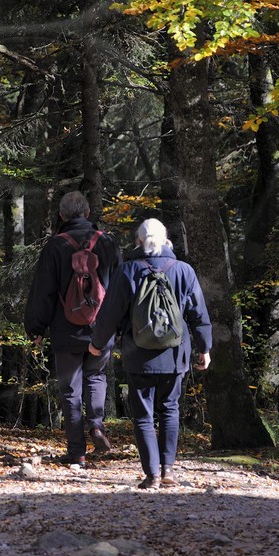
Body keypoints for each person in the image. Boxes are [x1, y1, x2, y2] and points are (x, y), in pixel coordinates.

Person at [88, 217, 211, 489]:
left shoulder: (127, 270)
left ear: (139, 241)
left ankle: (152, 475)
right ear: (166, 239)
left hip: (138, 354)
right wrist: (204, 348)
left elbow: (109, 314)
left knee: (143, 415)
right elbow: (198, 314)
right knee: (170, 409)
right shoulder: (183, 271)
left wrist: (97, 343)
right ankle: (168, 470)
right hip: (175, 353)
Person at [23, 190, 122, 466]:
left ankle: (77, 451)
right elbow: (120, 290)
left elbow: (43, 292)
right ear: (88, 213)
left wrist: (36, 329)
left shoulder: (55, 246)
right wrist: (122, 325)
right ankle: (97, 425)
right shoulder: (108, 244)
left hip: (65, 330)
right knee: (97, 376)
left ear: (62, 215)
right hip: (100, 329)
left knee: (70, 390)